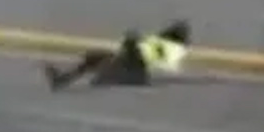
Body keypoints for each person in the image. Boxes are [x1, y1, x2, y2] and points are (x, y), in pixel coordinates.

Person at [42, 20, 193, 91]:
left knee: (103, 70)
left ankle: (103, 77)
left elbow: (150, 62)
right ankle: (63, 79)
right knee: (95, 56)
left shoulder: (172, 51)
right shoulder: (162, 42)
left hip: (135, 72)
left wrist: (133, 44)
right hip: (129, 64)